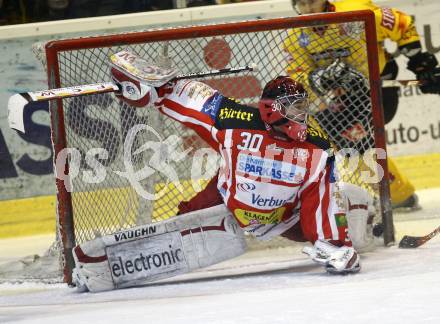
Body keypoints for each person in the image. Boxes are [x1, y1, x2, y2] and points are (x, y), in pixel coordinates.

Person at [110, 59, 374, 274]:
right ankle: (141, 253)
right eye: (294, 109)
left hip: (285, 217)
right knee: (187, 221)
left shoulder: (318, 149)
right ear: (272, 110)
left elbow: (321, 200)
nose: (302, 116)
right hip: (228, 197)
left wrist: (333, 244)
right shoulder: (233, 120)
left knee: (326, 204)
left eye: (302, 108)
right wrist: (154, 90)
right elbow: (195, 98)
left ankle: (354, 212)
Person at [285, 0, 440, 210]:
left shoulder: (355, 12)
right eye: (302, 4)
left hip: (379, 89)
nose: (308, 9)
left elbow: (402, 23)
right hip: (344, 99)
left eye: (312, 2)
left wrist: (420, 63)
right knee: (348, 141)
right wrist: (322, 77)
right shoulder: (296, 36)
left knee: (354, 140)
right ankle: (397, 194)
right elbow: (298, 76)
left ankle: (395, 193)